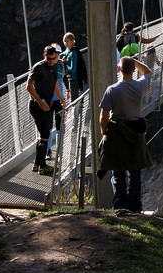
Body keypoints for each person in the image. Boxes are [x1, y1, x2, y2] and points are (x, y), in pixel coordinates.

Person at [98, 57, 154, 212]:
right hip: (136, 132)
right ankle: (135, 207)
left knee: (118, 171)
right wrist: (134, 60)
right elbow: (148, 71)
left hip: (117, 133)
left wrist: (104, 132)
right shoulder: (140, 86)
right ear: (134, 70)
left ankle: (119, 205)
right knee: (135, 172)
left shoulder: (112, 89)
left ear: (119, 69)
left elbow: (103, 116)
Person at [28, 45, 67, 175]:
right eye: (49, 59)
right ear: (44, 56)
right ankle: (42, 166)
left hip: (47, 104)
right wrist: (40, 101)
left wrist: (62, 100)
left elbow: (55, 84)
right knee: (45, 134)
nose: (51, 61)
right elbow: (29, 86)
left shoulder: (54, 67)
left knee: (44, 133)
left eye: (53, 58)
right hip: (37, 105)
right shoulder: (38, 67)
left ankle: (37, 164)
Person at [61, 32, 88, 98]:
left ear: (73, 41)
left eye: (68, 41)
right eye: (64, 41)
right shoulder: (68, 50)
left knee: (74, 99)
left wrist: (66, 62)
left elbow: (73, 69)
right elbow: (63, 54)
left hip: (74, 80)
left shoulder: (73, 53)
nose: (66, 43)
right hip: (71, 79)